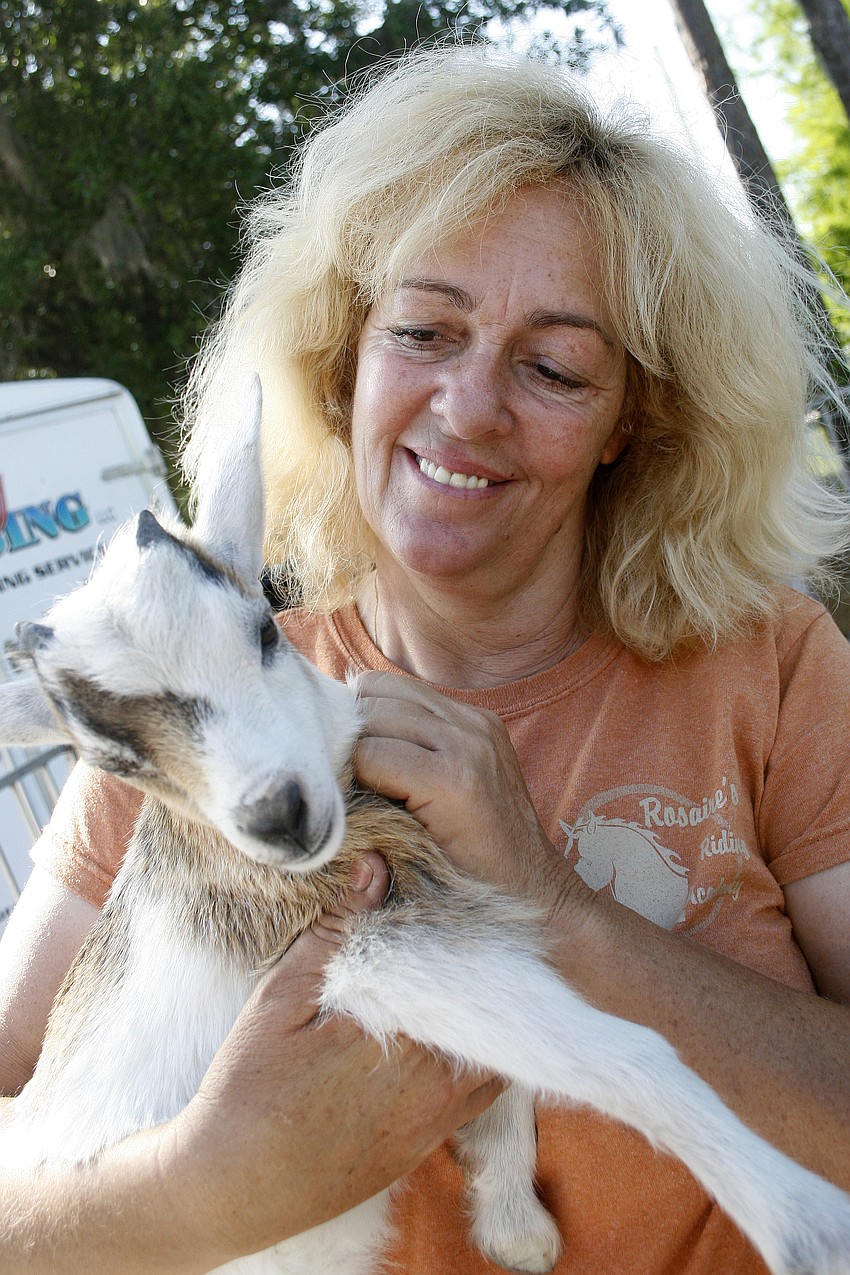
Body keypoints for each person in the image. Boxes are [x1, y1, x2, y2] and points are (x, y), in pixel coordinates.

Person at [2, 45, 850, 1275]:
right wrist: (189, 1196)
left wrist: (561, 911)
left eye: (554, 366)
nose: (466, 408)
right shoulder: (174, 735)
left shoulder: (770, 670)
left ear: (633, 424)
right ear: (343, 365)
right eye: (422, 329)